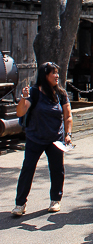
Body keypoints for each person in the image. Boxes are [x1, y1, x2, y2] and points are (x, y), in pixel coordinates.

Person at [12, 62, 73, 216]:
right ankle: (20, 204)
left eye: (58, 73)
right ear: (45, 76)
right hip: (35, 137)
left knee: (57, 170)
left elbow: (68, 116)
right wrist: (23, 99)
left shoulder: (61, 94)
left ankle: (55, 200)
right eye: (54, 73)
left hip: (55, 138)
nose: (57, 76)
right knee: (28, 169)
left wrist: (68, 134)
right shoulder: (34, 92)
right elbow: (20, 113)